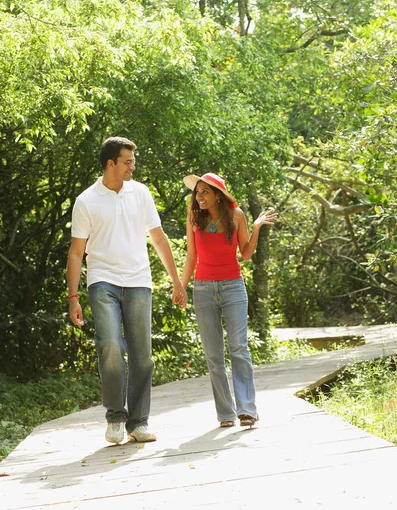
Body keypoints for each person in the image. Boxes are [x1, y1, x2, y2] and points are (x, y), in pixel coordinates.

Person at [67, 136, 187, 445]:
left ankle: (139, 422)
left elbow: (158, 238)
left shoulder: (141, 193)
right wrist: (73, 297)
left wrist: (177, 281)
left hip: (138, 281)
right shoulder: (87, 201)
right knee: (109, 345)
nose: (133, 167)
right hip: (102, 280)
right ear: (111, 164)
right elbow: (76, 253)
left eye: (133, 161)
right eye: (128, 162)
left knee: (142, 355)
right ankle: (115, 417)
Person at [181, 173, 277, 428]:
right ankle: (225, 413)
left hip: (233, 286)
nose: (199, 197)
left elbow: (246, 254)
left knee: (238, 347)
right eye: (197, 192)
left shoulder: (236, 216)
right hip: (203, 289)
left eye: (204, 192)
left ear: (217, 195)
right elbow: (191, 258)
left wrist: (255, 227)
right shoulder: (194, 218)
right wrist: (180, 287)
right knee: (213, 354)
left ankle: (246, 409)